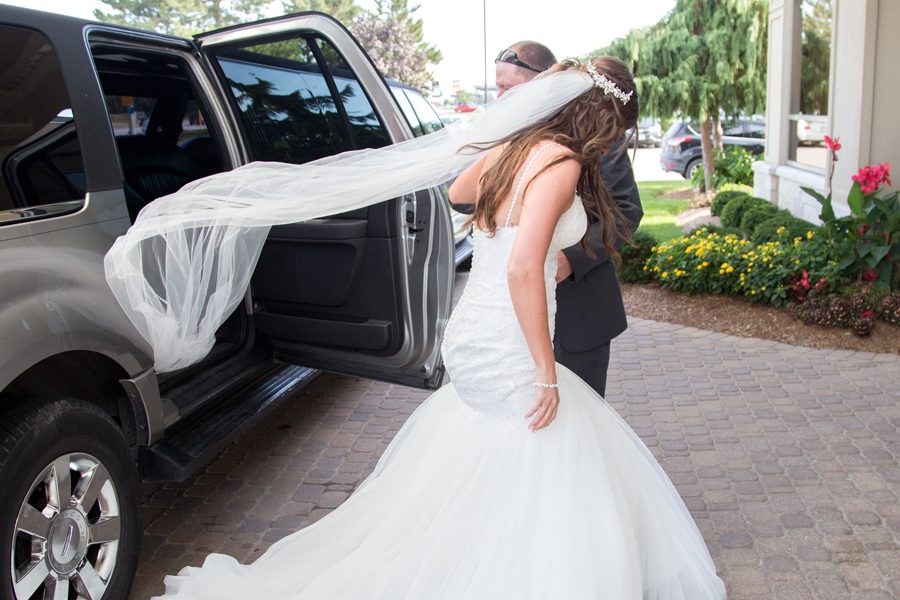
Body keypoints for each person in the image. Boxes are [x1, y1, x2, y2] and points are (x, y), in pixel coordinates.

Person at [151, 57, 725, 600]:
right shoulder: (563, 162)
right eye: (615, 131)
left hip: (473, 329)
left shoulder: (520, 147)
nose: (611, 145)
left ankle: (476, 552)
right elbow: (524, 267)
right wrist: (546, 368)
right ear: (601, 118)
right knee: (541, 440)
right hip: (508, 335)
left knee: (489, 447)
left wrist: (513, 165)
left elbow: (459, 192)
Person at [454, 40, 643, 396]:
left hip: (578, 316)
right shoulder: (521, 142)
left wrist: (571, 259)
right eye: (498, 88)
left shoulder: (600, 140)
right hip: (509, 317)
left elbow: (628, 211)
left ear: (545, 84)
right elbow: (463, 197)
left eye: (509, 88)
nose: (501, 98)